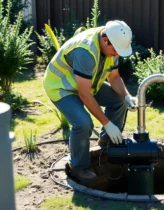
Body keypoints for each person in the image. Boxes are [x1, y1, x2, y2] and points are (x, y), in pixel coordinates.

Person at [43, 20, 137, 184]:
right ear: (105, 40)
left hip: (88, 82)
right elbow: (85, 95)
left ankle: (106, 142)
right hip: (61, 86)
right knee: (83, 123)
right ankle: (78, 167)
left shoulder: (111, 45)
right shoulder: (85, 51)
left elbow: (114, 77)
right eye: (115, 51)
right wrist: (107, 123)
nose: (116, 55)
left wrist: (127, 96)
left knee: (119, 101)